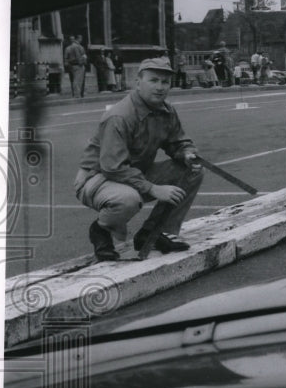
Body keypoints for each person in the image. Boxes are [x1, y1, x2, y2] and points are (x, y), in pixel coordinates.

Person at [74, 56, 204, 261]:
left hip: (133, 173)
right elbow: (113, 167)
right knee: (128, 200)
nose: (160, 87)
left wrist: (186, 153)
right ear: (138, 83)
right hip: (98, 178)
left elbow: (177, 141)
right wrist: (153, 188)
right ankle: (101, 230)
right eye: (153, 81)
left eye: (165, 82)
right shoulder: (120, 116)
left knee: (192, 171)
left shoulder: (166, 111)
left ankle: (152, 233)